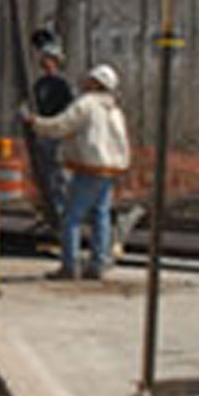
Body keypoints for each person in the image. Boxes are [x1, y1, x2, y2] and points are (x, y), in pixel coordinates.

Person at [21, 63, 130, 280]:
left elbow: (61, 125)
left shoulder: (87, 104)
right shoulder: (114, 109)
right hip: (109, 170)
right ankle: (98, 263)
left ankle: (69, 266)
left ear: (97, 83)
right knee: (101, 216)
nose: (85, 81)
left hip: (88, 168)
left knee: (71, 218)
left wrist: (35, 122)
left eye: (90, 79)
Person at [31, 28, 74, 227]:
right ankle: (51, 212)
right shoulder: (40, 85)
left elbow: (70, 112)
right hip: (43, 134)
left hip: (58, 135)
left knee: (59, 177)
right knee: (46, 176)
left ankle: (64, 213)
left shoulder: (63, 85)